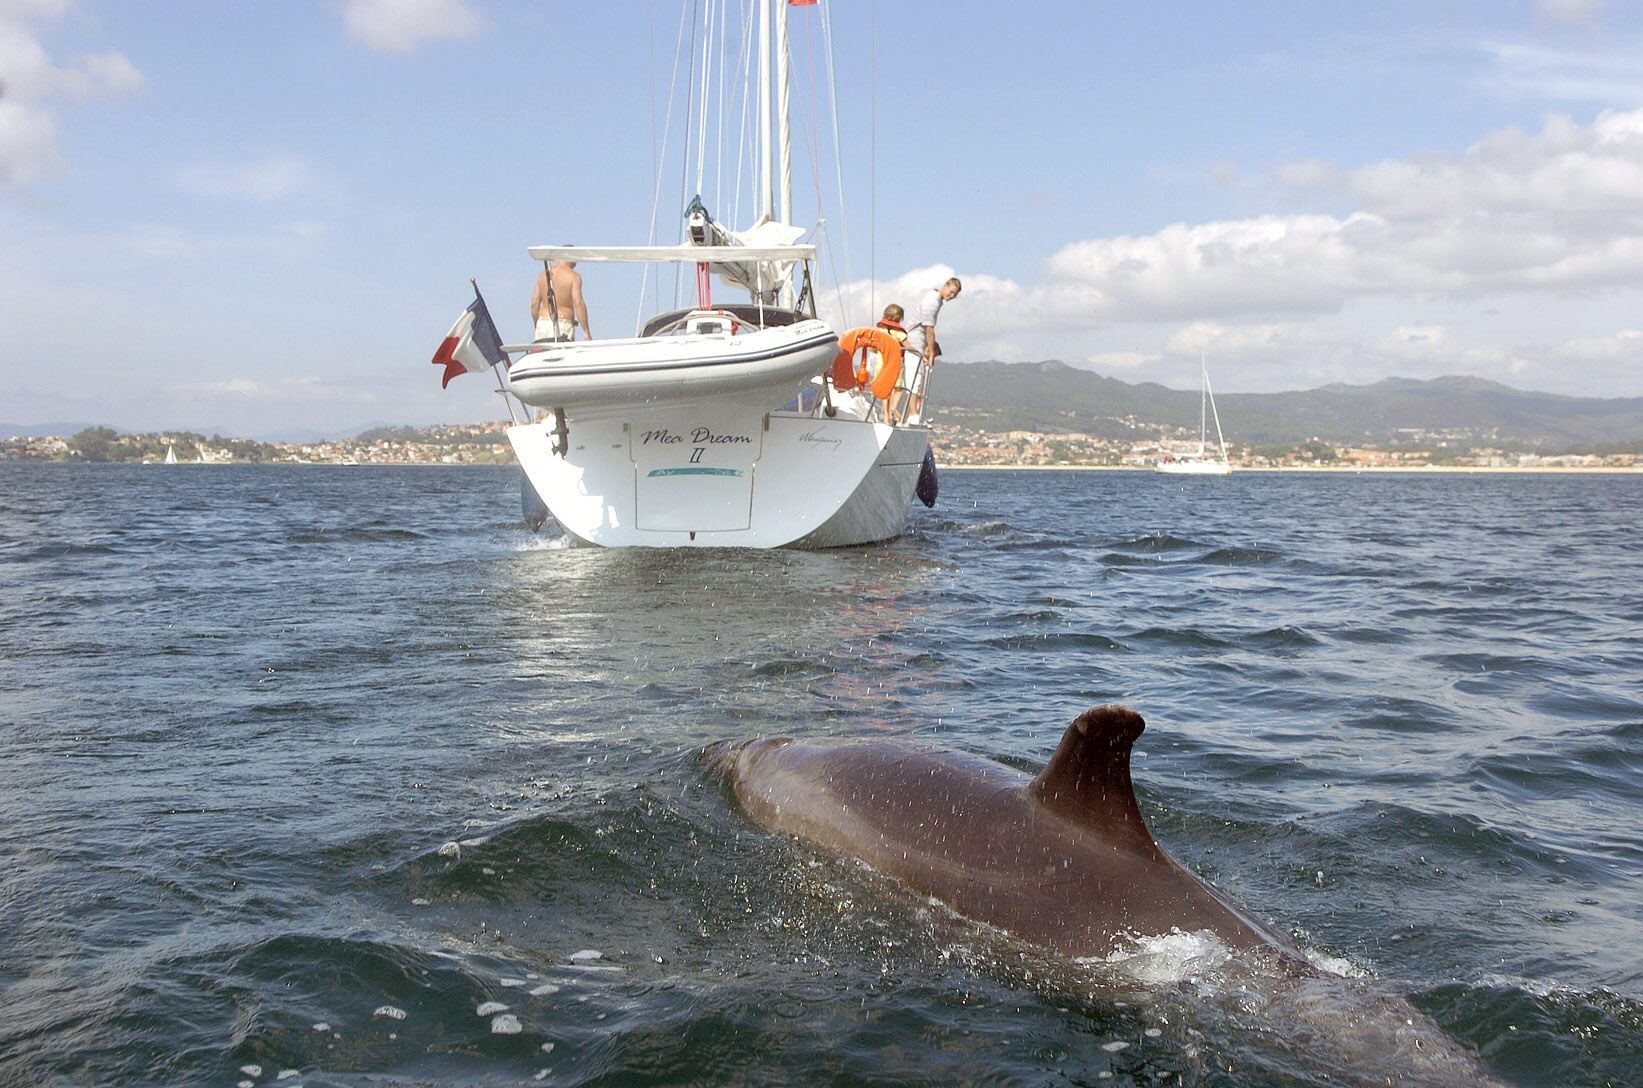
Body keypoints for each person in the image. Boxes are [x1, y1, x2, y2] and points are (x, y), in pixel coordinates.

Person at [900, 277, 960, 422]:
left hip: (918, 340)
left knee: (917, 377)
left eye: (954, 295)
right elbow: (929, 330)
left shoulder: (936, 298)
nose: (951, 296)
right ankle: (913, 414)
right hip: (914, 340)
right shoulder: (932, 303)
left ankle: (913, 414)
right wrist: (931, 352)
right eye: (951, 292)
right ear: (945, 286)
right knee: (915, 378)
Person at [531, 249, 591, 342]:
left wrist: (537, 323)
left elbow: (535, 304)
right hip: (563, 323)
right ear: (572, 258)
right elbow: (578, 303)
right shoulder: (573, 276)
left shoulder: (543, 275)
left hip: (542, 323)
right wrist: (586, 331)